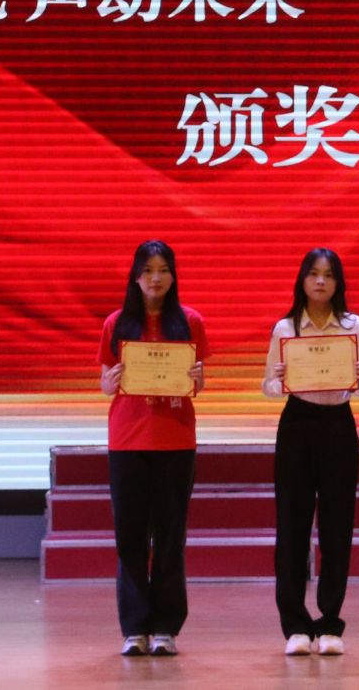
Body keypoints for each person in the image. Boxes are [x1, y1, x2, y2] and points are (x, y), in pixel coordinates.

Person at [97, 240, 210, 657]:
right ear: (135, 277)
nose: (156, 278)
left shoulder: (190, 321)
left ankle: (166, 627)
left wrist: (196, 380)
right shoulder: (116, 323)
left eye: (163, 270)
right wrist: (109, 382)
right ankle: (134, 628)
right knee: (130, 537)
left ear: (173, 276)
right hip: (127, 440)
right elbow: (105, 381)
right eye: (148, 270)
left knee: (169, 536)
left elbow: (198, 381)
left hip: (175, 439)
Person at [262, 247, 359, 656]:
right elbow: (269, 388)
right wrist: (278, 378)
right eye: (313, 274)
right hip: (297, 425)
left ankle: (329, 623)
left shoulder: (353, 325)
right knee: (291, 526)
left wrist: (357, 378)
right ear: (302, 280)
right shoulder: (285, 328)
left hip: (338, 426)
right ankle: (295, 625)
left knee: (336, 527)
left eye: (328, 274)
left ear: (338, 282)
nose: (321, 281)